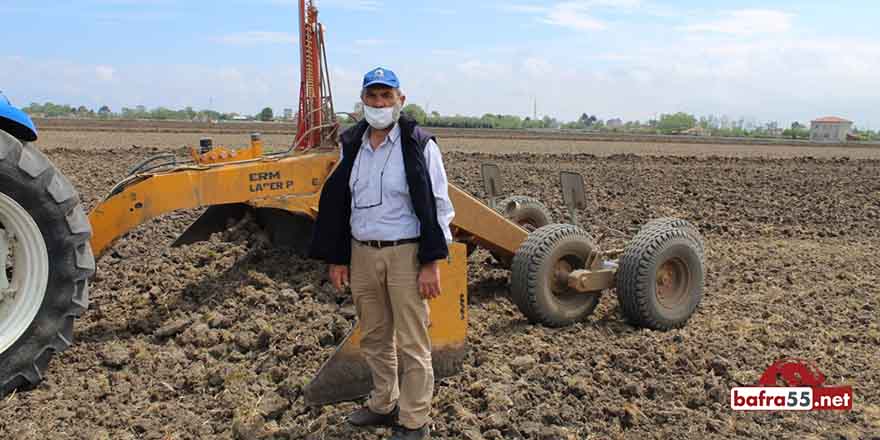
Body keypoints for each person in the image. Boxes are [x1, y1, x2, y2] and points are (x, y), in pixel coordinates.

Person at [309, 67, 454, 440]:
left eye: (386, 96)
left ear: (400, 101)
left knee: (411, 341)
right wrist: (338, 257)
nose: (378, 103)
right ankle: (382, 403)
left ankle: (414, 421)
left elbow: (438, 206)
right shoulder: (351, 145)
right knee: (374, 336)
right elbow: (342, 205)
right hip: (362, 254)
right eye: (372, 97)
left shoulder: (419, 145)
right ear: (363, 101)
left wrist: (432, 262)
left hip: (405, 256)